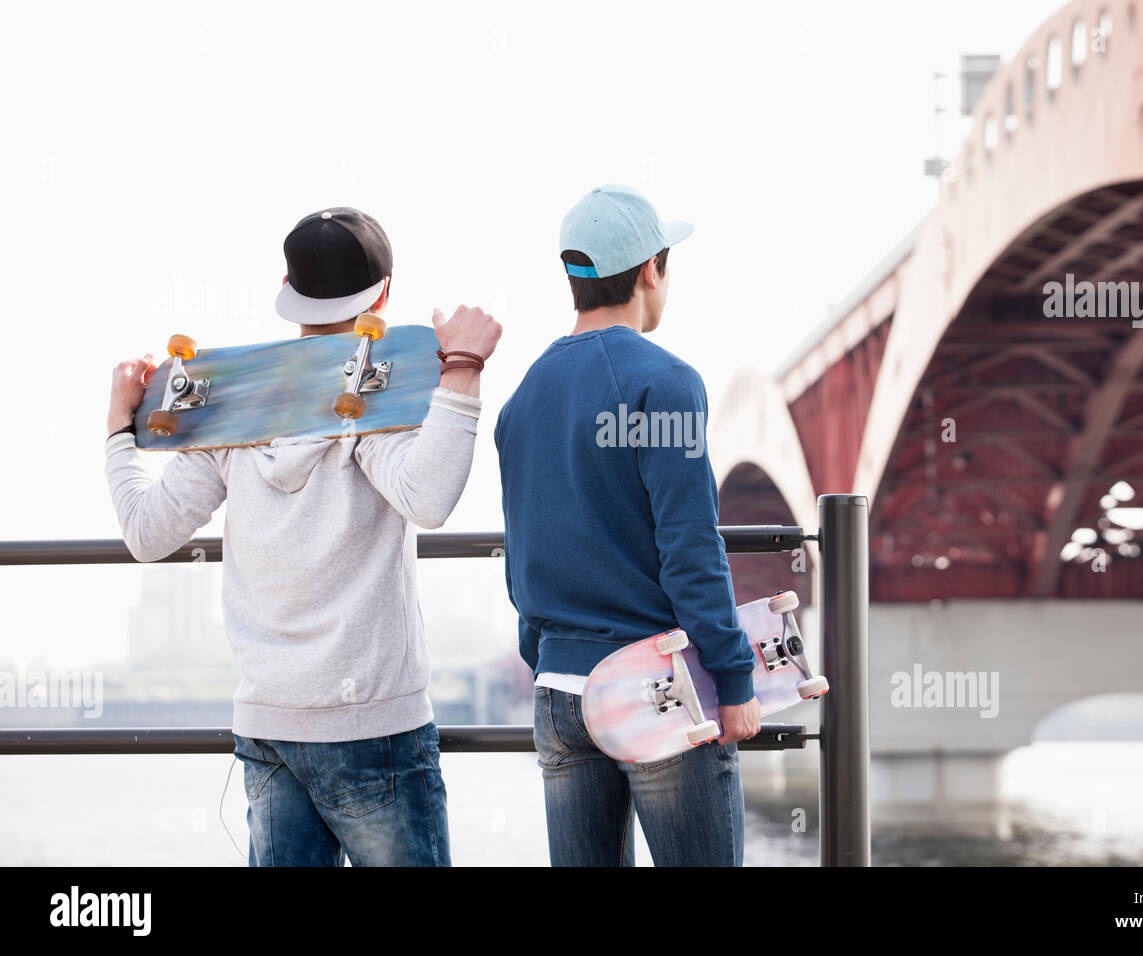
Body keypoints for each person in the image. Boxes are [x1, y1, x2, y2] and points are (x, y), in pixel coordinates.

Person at [103, 207, 501, 866]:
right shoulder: (379, 395)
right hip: (374, 727)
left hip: (269, 728)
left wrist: (119, 429)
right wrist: (461, 368)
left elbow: (146, 532)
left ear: (287, 287)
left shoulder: (229, 406)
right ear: (384, 292)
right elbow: (428, 500)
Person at [494, 185, 759, 867]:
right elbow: (690, 547)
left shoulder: (521, 400)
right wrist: (733, 680)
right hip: (655, 688)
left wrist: (549, 661)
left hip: (558, 693)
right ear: (650, 269)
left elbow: (521, 563)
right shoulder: (663, 383)